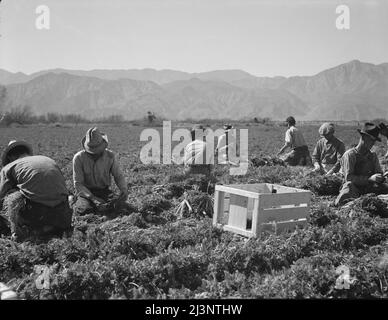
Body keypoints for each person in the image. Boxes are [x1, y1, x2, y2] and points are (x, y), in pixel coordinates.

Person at [0, 140, 72, 241]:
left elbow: (1, 195)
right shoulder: (47, 159)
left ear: (10, 157)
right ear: (27, 152)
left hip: (37, 215)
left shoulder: (9, 167)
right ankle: (52, 228)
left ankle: (19, 233)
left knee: (11, 196)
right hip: (64, 214)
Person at [72, 127, 128, 215]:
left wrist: (123, 189)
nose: (95, 153)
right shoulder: (79, 158)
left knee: (120, 207)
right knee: (85, 211)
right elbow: (78, 183)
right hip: (86, 193)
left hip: (104, 191)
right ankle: (74, 201)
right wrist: (93, 198)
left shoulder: (110, 156)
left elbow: (118, 176)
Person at [335, 123, 388, 206]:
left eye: (373, 141)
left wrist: (381, 177)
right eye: (371, 140)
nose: (372, 143)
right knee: (348, 186)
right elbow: (349, 178)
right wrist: (369, 179)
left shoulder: (372, 155)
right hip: (354, 189)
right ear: (363, 137)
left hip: (369, 188)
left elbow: (378, 173)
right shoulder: (350, 155)